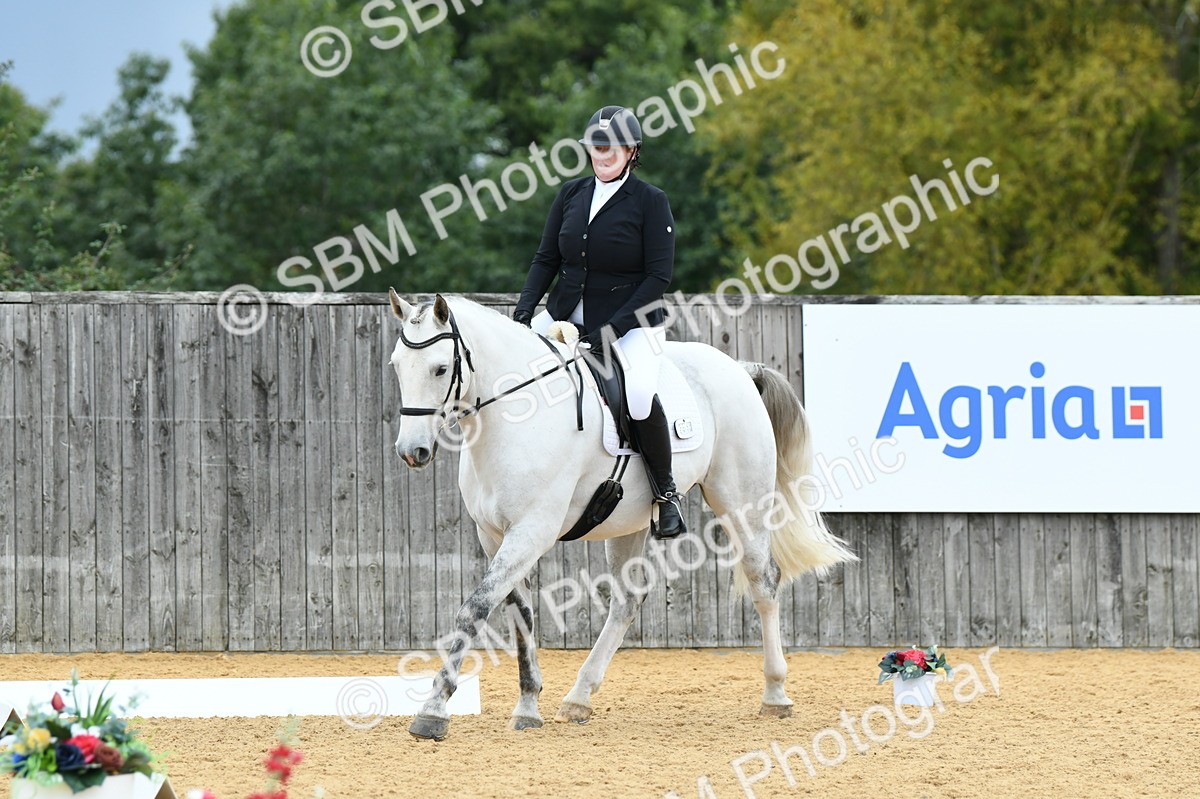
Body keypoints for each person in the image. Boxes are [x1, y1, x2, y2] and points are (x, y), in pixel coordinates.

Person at [512, 105, 685, 539]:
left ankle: (666, 495)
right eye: (595, 146)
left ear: (631, 150)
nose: (602, 154)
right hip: (563, 317)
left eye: (611, 147)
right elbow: (546, 257)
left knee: (641, 394)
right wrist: (523, 310)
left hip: (632, 321)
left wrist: (614, 330)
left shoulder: (650, 201)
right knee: (515, 375)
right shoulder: (571, 194)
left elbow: (658, 278)